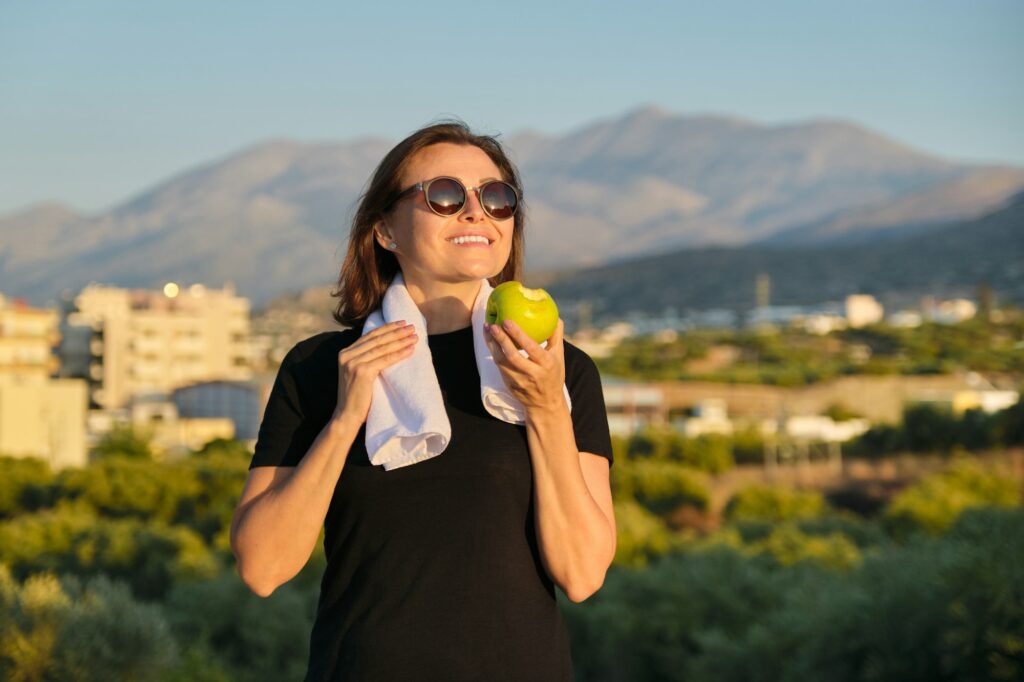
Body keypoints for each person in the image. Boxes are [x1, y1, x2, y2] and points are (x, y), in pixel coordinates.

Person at [230, 120, 616, 681]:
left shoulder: (559, 370)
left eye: (497, 197)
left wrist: (548, 410)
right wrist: (344, 421)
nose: (476, 212)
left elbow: (582, 575)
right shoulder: (320, 368)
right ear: (385, 229)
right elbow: (262, 568)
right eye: (444, 195)